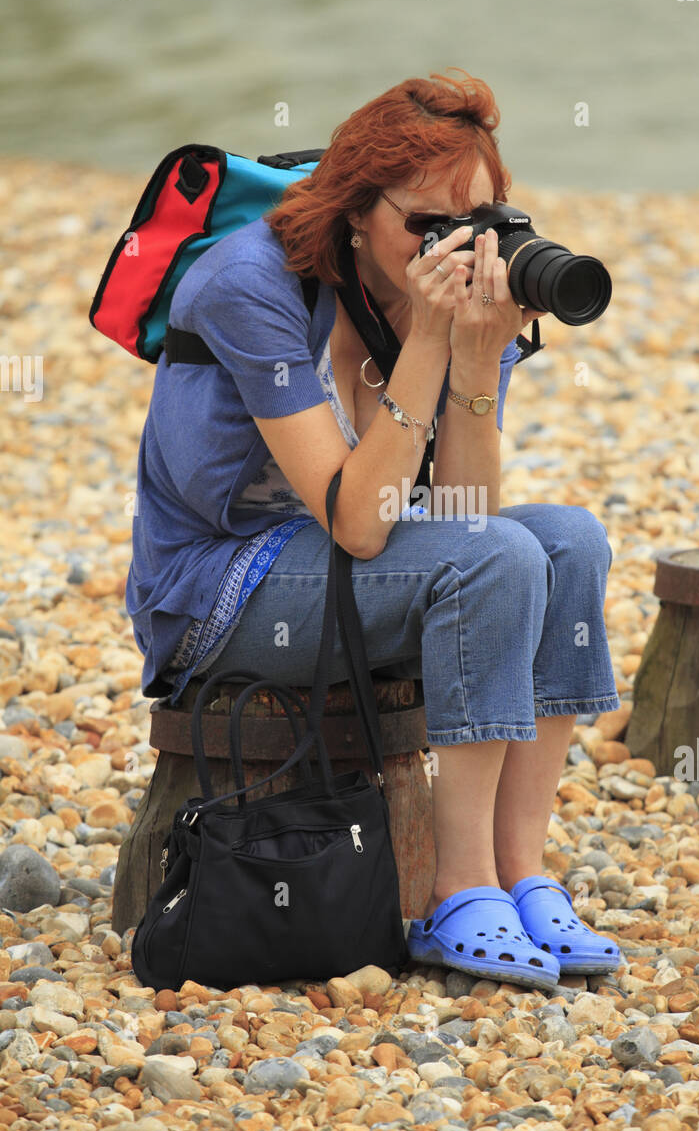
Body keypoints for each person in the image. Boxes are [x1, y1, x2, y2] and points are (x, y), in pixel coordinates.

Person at [127, 68, 622, 992]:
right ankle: (456, 889)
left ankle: (519, 874)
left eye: (473, 221)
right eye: (425, 226)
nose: (453, 248)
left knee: (568, 541)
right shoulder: (250, 284)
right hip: (218, 586)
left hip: (354, 564)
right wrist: (432, 341)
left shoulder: (454, 288)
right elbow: (360, 523)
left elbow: (467, 510)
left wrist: (476, 353)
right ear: (357, 208)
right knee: (500, 558)